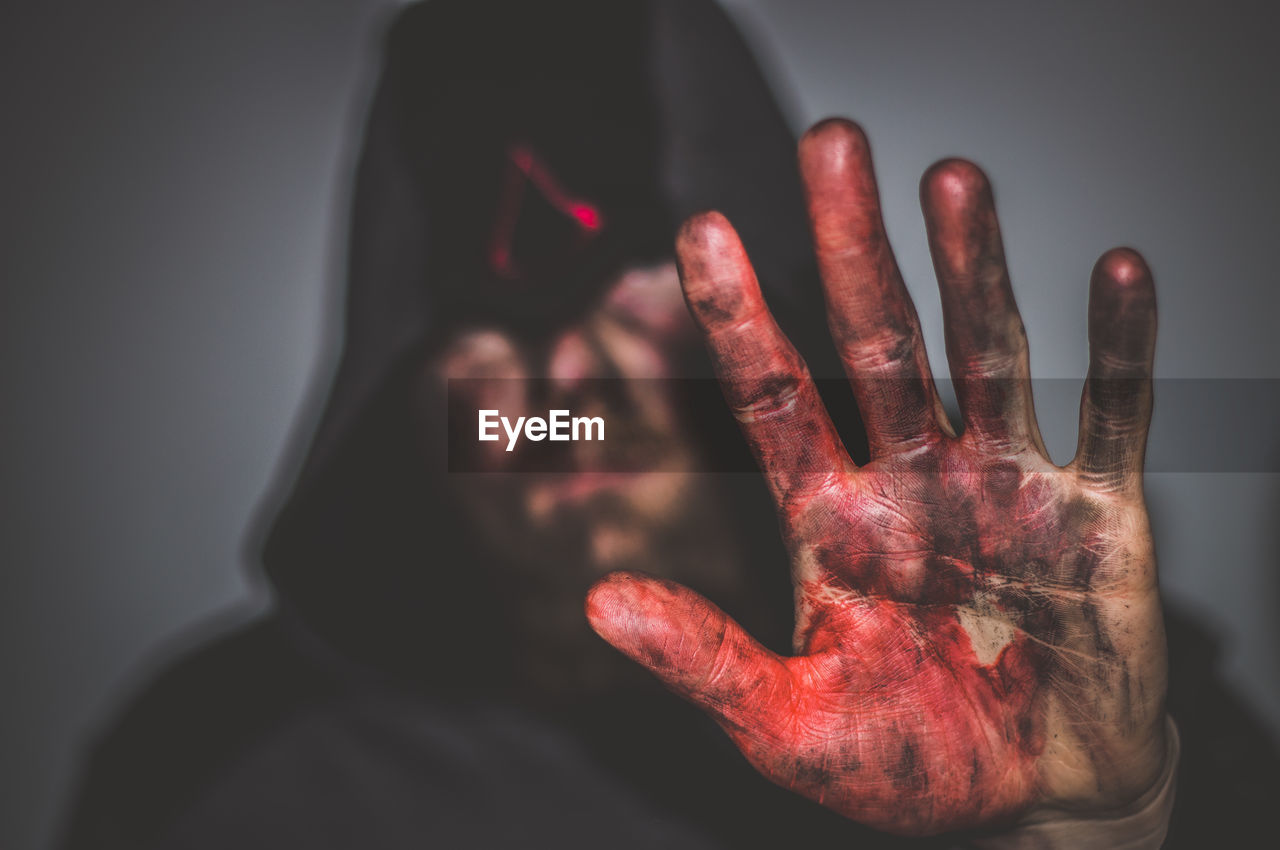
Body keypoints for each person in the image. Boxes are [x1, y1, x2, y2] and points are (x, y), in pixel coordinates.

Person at [58, 1, 1279, 848]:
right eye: (484, 320)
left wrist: (1102, 829)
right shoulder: (219, 778)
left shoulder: (1069, 704)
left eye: (632, 274)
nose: (564, 386)